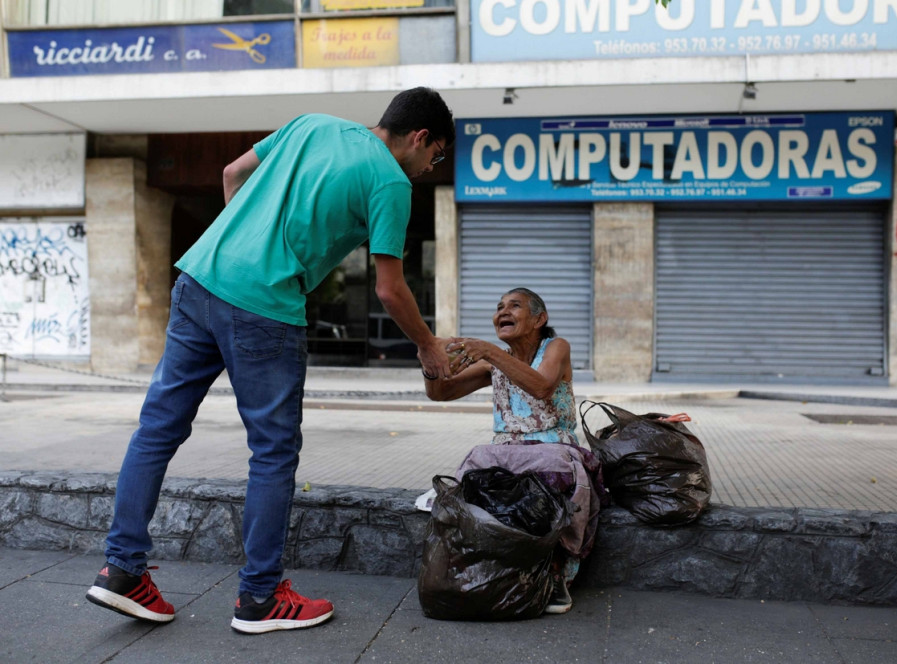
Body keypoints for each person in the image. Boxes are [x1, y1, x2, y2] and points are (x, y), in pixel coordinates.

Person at [85, 87, 456, 635]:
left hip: (200, 279)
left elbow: (233, 172)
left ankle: (122, 571)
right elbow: (389, 287)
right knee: (274, 452)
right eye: (437, 156)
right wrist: (429, 345)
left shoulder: (312, 124)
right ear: (421, 137)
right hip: (264, 308)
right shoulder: (391, 182)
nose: (431, 168)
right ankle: (259, 598)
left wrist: (244, 245)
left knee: (157, 428)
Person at [421, 287, 604, 615]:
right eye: (499, 307)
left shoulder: (556, 347)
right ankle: (488, 564)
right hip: (506, 449)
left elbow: (542, 385)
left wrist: (489, 351)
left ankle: (555, 571)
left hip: (552, 446)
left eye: (514, 306)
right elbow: (441, 393)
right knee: (477, 461)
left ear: (539, 319)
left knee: (553, 466)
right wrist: (430, 364)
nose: (502, 312)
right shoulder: (496, 361)